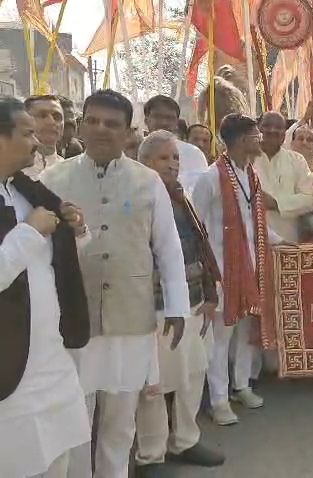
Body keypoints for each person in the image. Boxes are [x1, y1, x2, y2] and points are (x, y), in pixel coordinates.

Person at [40, 89, 191, 478]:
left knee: (121, 423)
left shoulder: (148, 181)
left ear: (128, 132)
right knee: (75, 420)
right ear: (80, 126)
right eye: (92, 121)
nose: (101, 130)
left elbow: (168, 248)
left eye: (112, 124)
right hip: (74, 319)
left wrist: (177, 307)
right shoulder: (52, 179)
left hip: (131, 317)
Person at [0, 96, 90, 478]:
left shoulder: (28, 191)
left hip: (50, 359)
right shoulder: (29, 211)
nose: (36, 142)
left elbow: (52, 263)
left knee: (58, 460)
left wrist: (74, 229)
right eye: (26, 133)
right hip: (9, 369)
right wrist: (29, 232)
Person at [134, 131, 225, 476]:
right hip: (158, 308)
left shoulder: (181, 197)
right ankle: (151, 454)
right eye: (163, 158)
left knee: (193, 373)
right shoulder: (139, 199)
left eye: (175, 157)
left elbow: (202, 247)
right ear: (144, 163)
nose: (172, 164)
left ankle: (186, 440)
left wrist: (210, 294)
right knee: (155, 386)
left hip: (194, 302)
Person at [192, 114, 281, 426]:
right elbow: (196, 227)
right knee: (221, 337)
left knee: (245, 332)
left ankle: (241, 386)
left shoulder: (250, 174)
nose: (261, 139)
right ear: (243, 140)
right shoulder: (210, 178)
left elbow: (254, 222)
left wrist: (280, 242)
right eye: (256, 135)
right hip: (222, 271)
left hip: (251, 267)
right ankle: (218, 400)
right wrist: (205, 273)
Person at [254, 111, 313, 243]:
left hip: (288, 243)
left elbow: (310, 200)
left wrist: (277, 203)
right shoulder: (246, 160)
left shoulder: (296, 160)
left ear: (284, 133)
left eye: (278, 127)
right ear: (258, 129)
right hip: (252, 243)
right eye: (267, 125)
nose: (272, 130)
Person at [143, 95, 211, 193]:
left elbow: (201, 192)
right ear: (146, 120)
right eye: (157, 116)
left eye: (169, 118)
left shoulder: (194, 154)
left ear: (176, 123)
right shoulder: (134, 149)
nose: (163, 123)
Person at [22, 95, 65, 178]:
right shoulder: (10, 169)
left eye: (56, 117)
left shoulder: (70, 171)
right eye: (42, 116)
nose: (51, 122)